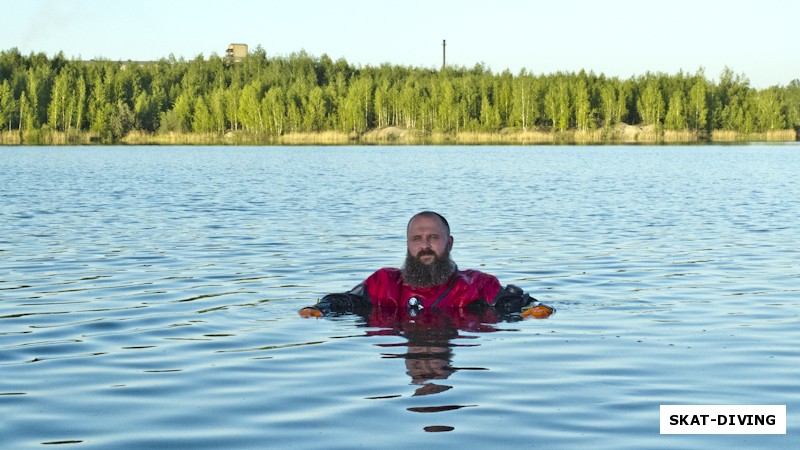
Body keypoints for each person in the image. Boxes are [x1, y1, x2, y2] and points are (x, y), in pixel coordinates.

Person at [299, 211, 554, 319]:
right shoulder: (382, 283)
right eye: (417, 239)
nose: (425, 246)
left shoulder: (477, 285)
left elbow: (520, 303)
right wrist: (318, 309)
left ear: (449, 243)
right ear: (408, 244)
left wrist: (537, 309)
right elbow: (344, 302)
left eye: (433, 238)